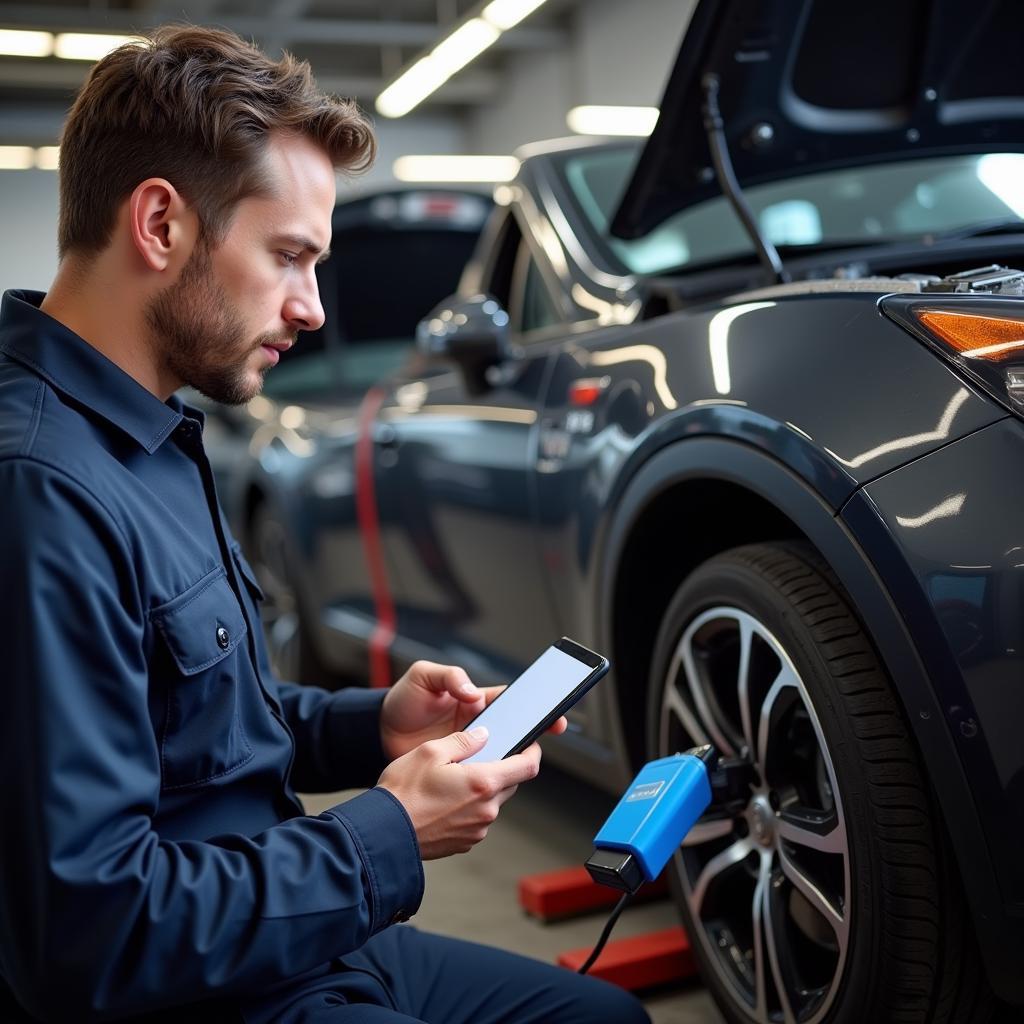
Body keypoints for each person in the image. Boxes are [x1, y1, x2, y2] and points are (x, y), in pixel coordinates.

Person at [0, 25, 650, 1024]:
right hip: (200, 990)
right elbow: (91, 932)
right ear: (162, 224)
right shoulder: (40, 491)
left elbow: (200, 736)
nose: (309, 308)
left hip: (297, 937)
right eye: (289, 257)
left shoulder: (156, 430)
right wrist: (390, 830)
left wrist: (371, 726)